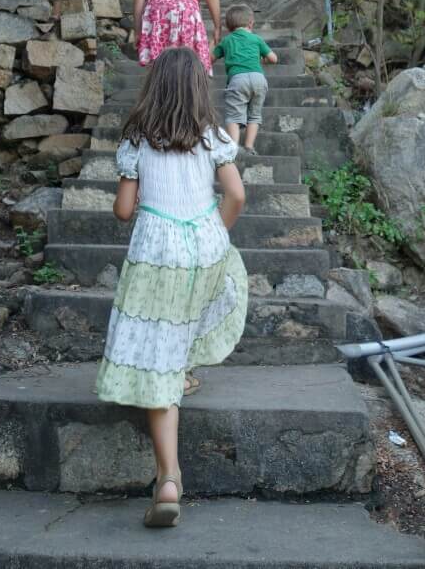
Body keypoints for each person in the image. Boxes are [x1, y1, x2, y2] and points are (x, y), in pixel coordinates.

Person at [95, 47, 248, 528]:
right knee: (205, 292)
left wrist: (135, 187)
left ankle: (168, 477)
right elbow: (237, 195)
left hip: (157, 248)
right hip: (205, 242)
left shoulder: (137, 139)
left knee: (158, 340)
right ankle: (180, 369)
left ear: (153, 88)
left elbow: (124, 211)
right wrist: (215, 232)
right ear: (200, 91)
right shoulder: (212, 137)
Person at [212, 3, 278, 156]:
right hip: (259, 79)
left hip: (238, 80)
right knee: (255, 115)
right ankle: (249, 147)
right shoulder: (256, 39)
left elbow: (210, 59)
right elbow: (273, 59)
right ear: (251, 23)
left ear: (228, 27)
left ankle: (233, 148)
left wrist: (213, 43)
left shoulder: (227, 41)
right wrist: (262, 60)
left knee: (234, 117)